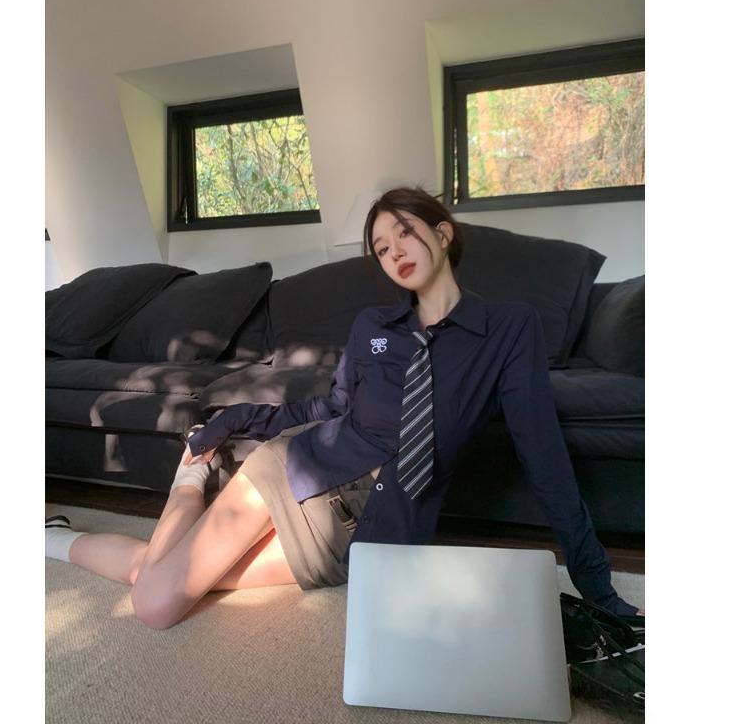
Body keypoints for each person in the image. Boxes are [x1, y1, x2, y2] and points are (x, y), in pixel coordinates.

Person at [46, 187, 643, 629]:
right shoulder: (374, 327)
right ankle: (190, 477)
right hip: (299, 472)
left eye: (404, 232)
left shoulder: (509, 328)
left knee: (158, 577)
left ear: (443, 232)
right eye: (381, 248)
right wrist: (237, 418)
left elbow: (543, 454)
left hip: (376, 537)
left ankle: (50, 538)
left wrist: (596, 585)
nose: (394, 251)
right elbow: (332, 406)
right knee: (158, 604)